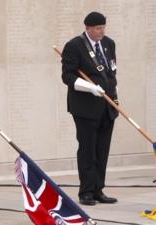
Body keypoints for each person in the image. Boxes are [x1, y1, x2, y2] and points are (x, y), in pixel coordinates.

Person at [61, 12, 119, 206]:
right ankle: (86, 191)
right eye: (97, 28)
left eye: (103, 27)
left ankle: (98, 190)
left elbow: (112, 72)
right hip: (85, 108)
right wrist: (90, 87)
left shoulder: (109, 44)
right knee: (88, 149)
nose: (101, 31)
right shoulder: (74, 46)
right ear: (88, 28)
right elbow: (67, 76)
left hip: (107, 106)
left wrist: (115, 98)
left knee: (102, 150)